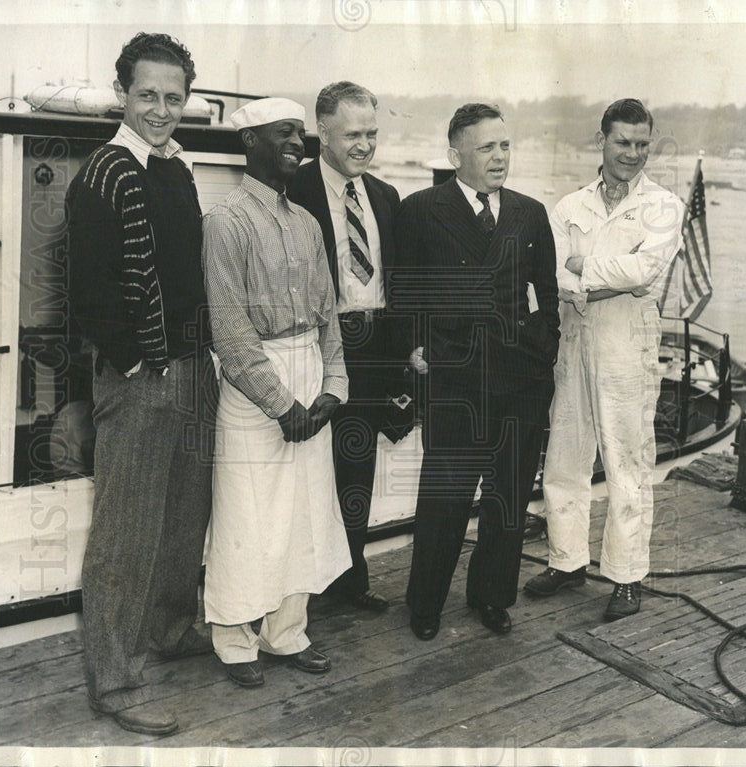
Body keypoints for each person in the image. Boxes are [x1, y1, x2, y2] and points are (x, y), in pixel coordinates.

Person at [66, 33, 216, 735]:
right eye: (148, 95)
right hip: (142, 375)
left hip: (192, 368)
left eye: (174, 97)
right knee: (125, 532)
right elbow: (87, 293)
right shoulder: (106, 172)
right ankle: (115, 679)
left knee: (185, 515)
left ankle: (168, 631)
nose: (161, 109)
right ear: (123, 93)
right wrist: (131, 361)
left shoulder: (176, 170)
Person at [394, 103, 560, 641]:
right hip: (456, 383)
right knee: (444, 501)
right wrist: (420, 357)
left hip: (520, 382)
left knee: (507, 499)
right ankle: (425, 604)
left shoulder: (530, 213)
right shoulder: (421, 210)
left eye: (505, 146)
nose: (499, 157)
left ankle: (492, 596)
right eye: (487, 147)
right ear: (455, 153)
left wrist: (540, 356)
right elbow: (405, 297)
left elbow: (548, 300)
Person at [202, 97, 352, 688]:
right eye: (283, 133)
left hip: (309, 374)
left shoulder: (307, 223)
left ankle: (286, 632)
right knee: (248, 513)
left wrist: (333, 387)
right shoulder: (225, 221)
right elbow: (229, 327)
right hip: (253, 385)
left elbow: (328, 318)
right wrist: (279, 403)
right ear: (249, 142)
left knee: (304, 515)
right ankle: (235, 641)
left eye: (300, 133)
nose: (297, 142)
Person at [522, 98, 683, 621]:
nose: (632, 153)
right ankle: (567, 560)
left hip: (626, 349)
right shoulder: (569, 207)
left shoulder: (663, 206)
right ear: (602, 141)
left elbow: (645, 272)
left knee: (626, 464)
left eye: (641, 144)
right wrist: (597, 275)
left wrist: (584, 268)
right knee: (565, 458)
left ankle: (627, 575)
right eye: (622, 142)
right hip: (573, 343)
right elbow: (554, 276)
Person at [286, 81, 411, 614]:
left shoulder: (384, 196)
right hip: (319, 347)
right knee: (307, 471)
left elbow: (395, 283)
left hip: (374, 345)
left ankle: (349, 582)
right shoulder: (292, 190)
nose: (365, 145)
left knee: (356, 468)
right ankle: (298, 592)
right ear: (323, 133)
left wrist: (405, 355)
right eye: (352, 134)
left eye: (372, 133)